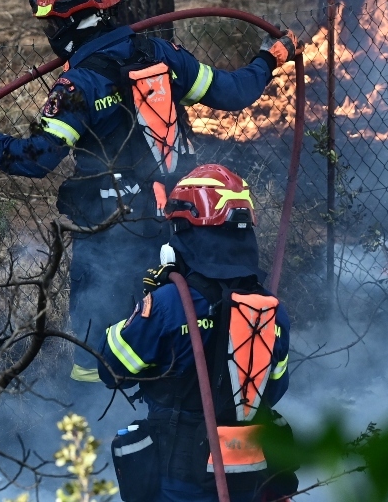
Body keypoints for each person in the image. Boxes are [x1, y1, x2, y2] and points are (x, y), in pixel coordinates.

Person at [0, 0, 297, 383]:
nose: (50, 32)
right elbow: (234, 92)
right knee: (179, 328)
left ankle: (92, 415)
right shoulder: (162, 54)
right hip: (181, 225)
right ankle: (188, 406)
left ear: (73, 22)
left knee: (94, 355)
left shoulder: (79, 85)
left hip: (110, 235)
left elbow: (33, 159)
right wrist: (269, 58)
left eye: (52, 23)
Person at [98, 164, 296, 502]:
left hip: (180, 480)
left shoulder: (168, 304)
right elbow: (274, 389)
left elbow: (111, 368)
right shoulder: (272, 311)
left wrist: (146, 303)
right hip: (248, 479)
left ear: (186, 232)